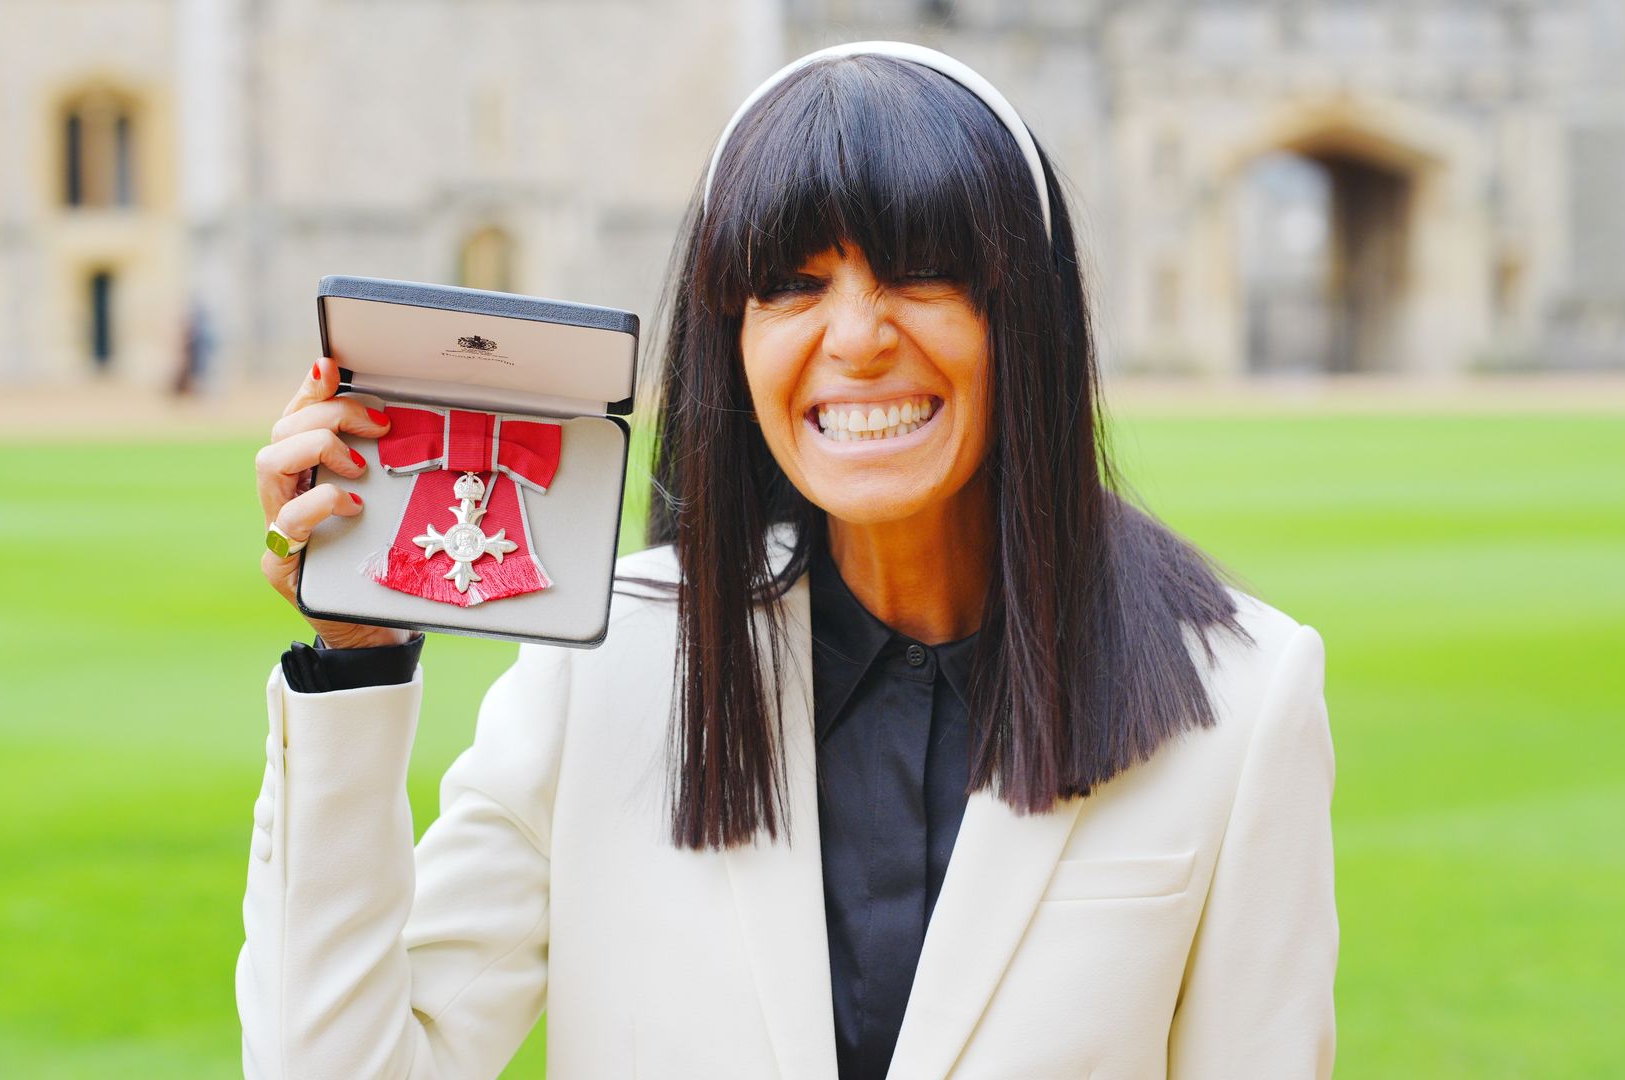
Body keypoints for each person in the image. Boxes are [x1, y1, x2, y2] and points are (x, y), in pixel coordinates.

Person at [242, 40, 1336, 1080]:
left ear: (1028, 317)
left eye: (923, 273)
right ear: (733, 337)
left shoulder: (1240, 696)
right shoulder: (608, 663)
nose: (856, 338)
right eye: (793, 286)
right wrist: (358, 661)